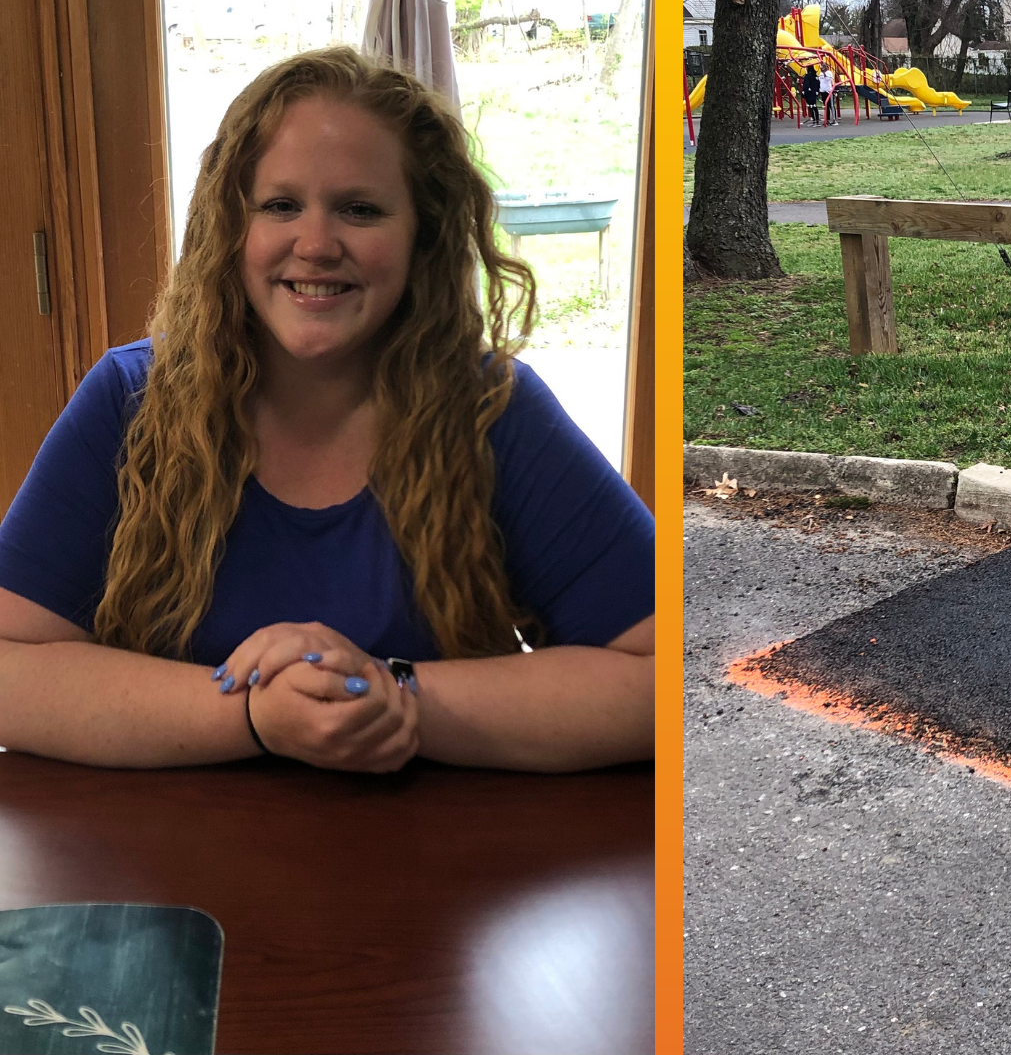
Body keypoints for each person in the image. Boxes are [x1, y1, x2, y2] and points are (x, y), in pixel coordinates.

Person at [0, 47, 654, 775]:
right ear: (229, 227)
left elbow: (662, 675)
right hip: (168, 873)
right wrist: (254, 713)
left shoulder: (493, 409)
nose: (315, 245)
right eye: (280, 205)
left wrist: (391, 694)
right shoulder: (127, 404)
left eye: (360, 209)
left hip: (434, 870)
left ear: (423, 235)